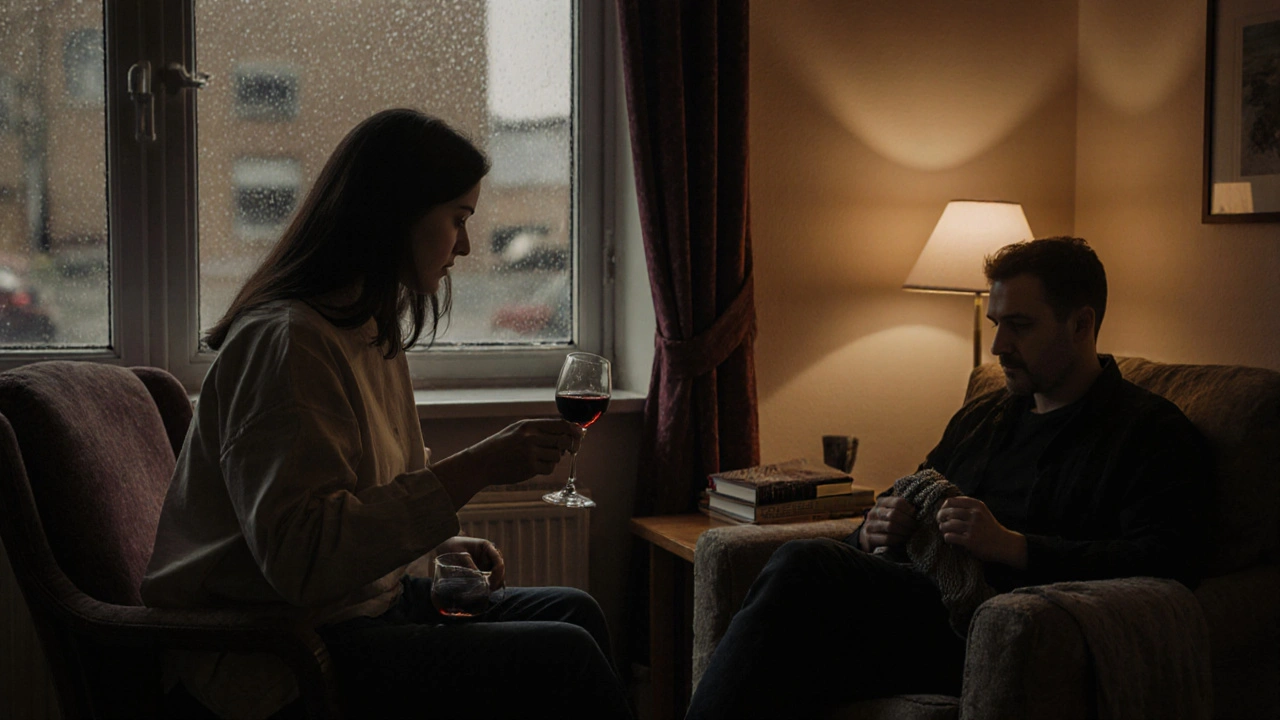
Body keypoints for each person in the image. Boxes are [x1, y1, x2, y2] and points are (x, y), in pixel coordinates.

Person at [142, 109, 632, 720]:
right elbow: (303, 561)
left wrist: (443, 540)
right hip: (283, 650)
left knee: (575, 612)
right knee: (565, 654)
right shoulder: (289, 342)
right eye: (458, 218)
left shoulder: (366, 329)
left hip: (358, 613)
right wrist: (476, 467)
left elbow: (354, 504)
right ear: (398, 214)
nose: (466, 245)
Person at [685, 236, 1211, 719]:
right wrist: (872, 530)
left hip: (996, 629)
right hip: (915, 602)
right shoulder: (985, 416)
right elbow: (909, 491)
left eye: (1020, 325)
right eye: (997, 321)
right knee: (783, 649)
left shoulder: (1148, 430)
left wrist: (1014, 547)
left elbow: (1166, 560)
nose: (999, 345)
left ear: (1080, 324)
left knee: (802, 569)